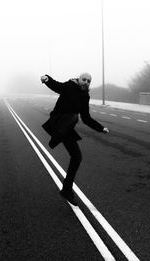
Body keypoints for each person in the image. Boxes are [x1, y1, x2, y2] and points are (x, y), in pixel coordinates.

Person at [40, 73, 109, 206]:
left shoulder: (85, 96)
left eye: (89, 81)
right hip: (57, 121)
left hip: (66, 129)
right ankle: (55, 138)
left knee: (77, 157)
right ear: (78, 80)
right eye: (84, 80)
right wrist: (47, 79)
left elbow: (86, 118)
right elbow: (57, 86)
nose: (86, 82)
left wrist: (101, 128)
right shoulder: (69, 86)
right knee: (73, 117)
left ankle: (66, 190)